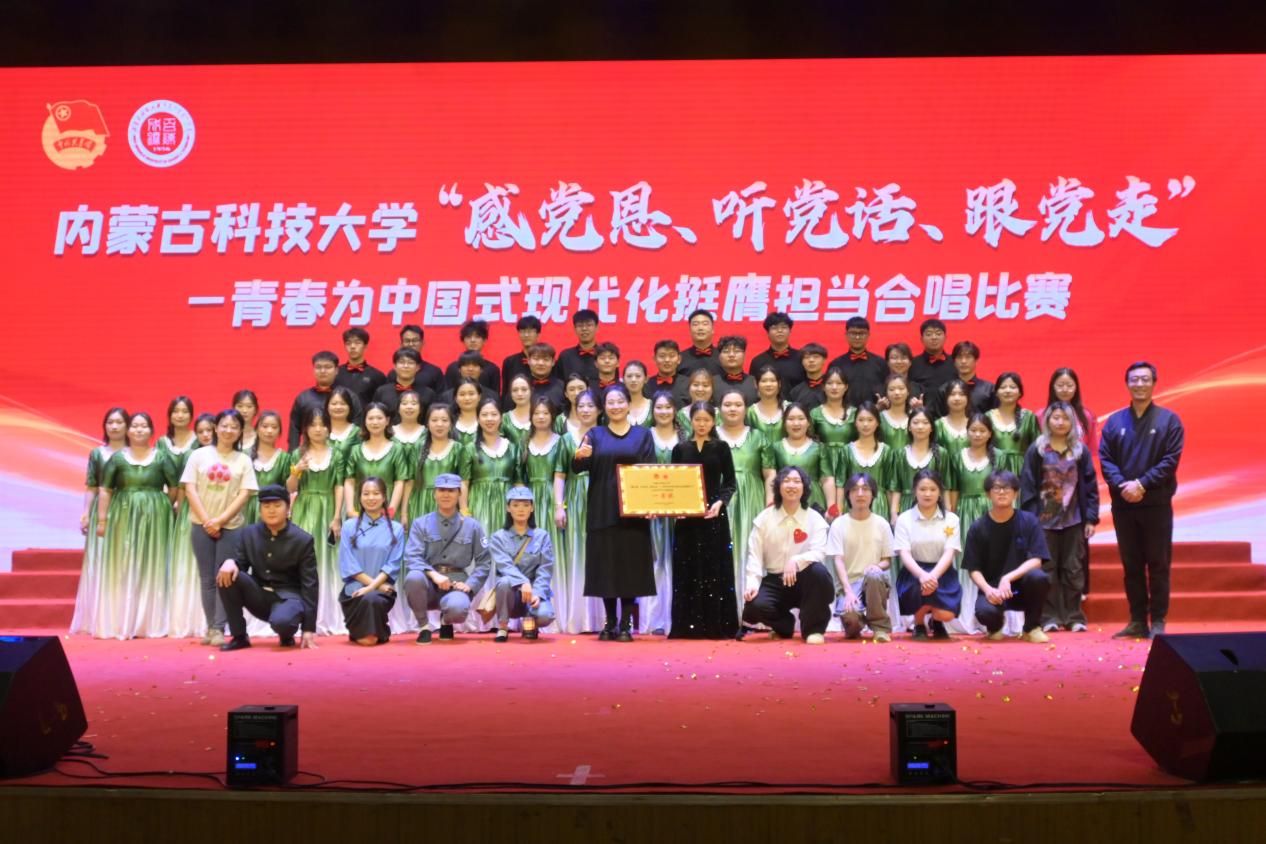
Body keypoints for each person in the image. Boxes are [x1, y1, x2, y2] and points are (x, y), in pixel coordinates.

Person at [1099, 361, 1184, 639]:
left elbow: (1170, 460)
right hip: (1124, 504)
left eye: (1145, 379)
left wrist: (1142, 484)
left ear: (1154, 383)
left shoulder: (1169, 420)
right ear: (1127, 384)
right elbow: (1106, 459)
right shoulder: (1115, 421)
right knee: (1131, 565)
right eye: (1134, 379)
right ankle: (1137, 620)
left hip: (1156, 504)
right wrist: (1123, 485)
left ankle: (1158, 620)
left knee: (1158, 564)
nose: (1139, 384)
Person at [574, 384, 657, 641]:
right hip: (601, 508)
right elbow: (578, 468)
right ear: (604, 407)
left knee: (630, 567)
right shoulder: (594, 434)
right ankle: (609, 622)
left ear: (629, 404)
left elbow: (651, 472)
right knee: (605, 567)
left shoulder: (643, 435)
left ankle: (626, 623)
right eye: (610, 402)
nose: (616, 406)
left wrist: (651, 505)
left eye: (620, 401)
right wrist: (579, 456)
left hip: (633, 512)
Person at [92, 412, 177, 639]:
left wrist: (160, 507)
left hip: (156, 518)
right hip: (123, 515)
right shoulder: (117, 459)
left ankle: (150, 621)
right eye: (135, 426)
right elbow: (105, 490)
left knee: (153, 563)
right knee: (124, 563)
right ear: (128, 431)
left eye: (144, 426)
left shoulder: (162, 457)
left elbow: (174, 488)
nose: (139, 430)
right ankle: (122, 619)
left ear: (152, 431)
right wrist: (102, 520)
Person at [181, 409, 259, 647]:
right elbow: (190, 489)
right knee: (206, 578)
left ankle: (219, 627)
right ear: (216, 427)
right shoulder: (199, 455)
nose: (228, 430)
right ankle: (211, 627)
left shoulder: (243, 460)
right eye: (224, 425)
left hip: (231, 527)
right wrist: (207, 520)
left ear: (241, 431)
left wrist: (221, 520)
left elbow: (244, 494)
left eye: (234, 427)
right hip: (201, 525)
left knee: (224, 578)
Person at [1021, 402, 1099, 633]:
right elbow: (1028, 486)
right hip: (1043, 521)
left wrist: (1091, 518)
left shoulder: (1080, 451)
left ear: (1072, 422)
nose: (1060, 422)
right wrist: (1031, 520)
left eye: (1065, 418)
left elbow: (1091, 487)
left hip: (1074, 519)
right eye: (1055, 417)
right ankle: (1049, 617)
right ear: (1047, 421)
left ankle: (1074, 616)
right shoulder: (1037, 449)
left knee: (1073, 569)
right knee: (1047, 569)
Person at [216, 484, 319, 651]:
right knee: (227, 574)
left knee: (283, 622)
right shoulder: (248, 534)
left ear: (288, 509)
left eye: (277, 505)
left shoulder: (302, 540)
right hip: (259, 596)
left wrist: (308, 628)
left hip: (288, 599)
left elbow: (310, 585)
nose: (271, 510)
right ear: (260, 510)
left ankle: (286, 633)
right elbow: (241, 564)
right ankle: (239, 636)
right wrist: (230, 562)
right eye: (266, 506)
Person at [669, 402, 738, 639]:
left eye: (706, 420)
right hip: (686, 519)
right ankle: (686, 626)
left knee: (715, 569)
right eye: (697, 420)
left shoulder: (721, 447)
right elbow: (672, 482)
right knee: (686, 569)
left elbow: (730, 482)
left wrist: (720, 503)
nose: (701, 424)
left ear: (713, 421)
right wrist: (675, 508)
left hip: (714, 517)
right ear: (690, 420)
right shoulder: (680, 448)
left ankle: (716, 625)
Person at [741, 466, 834, 644]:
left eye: (797, 481)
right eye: (787, 481)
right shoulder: (764, 519)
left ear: (804, 488)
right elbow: (755, 556)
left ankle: (813, 630)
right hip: (776, 580)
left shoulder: (815, 518)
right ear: (778, 486)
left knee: (820, 573)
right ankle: (784, 626)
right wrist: (752, 584)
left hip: (805, 578)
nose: (792, 485)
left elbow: (820, 552)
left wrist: (797, 560)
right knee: (754, 607)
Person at [401, 473, 493, 643]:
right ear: (434, 494)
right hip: (428, 582)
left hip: (456, 583)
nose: (446, 494)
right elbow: (412, 556)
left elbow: (484, 562)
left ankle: (446, 621)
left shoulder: (472, 526)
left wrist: (470, 584)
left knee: (458, 609)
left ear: (459, 494)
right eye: (441, 490)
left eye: (451, 491)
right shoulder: (421, 523)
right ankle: (424, 626)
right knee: (413, 577)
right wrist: (434, 575)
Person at [963, 471, 1052, 643]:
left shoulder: (1029, 521)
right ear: (988, 494)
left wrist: (1008, 578)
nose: (1002, 492)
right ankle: (995, 626)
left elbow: (1037, 559)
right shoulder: (978, 527)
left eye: (1007, 488)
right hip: (994, 591)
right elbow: (973, 568)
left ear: (1016, 493)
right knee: (984, 612)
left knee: (1039, 578)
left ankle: (1031, 628)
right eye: (996, 488)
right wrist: (988, 590)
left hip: (1021, 589)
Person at [287, 406, 347, 637]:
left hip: (328, 507)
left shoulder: (337, 453)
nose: (318, 429)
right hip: (304, 508)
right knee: (306, 560)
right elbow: (290, 488)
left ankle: (330, 615)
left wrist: (337, 516)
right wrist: (297, 471)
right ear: (305, 428)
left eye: (322, 424)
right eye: (313, 425)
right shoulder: (297, 454)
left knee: (330, 561)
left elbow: (339, 485)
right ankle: (304, 615)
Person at [70, 407, 128, 637]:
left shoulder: (135, 453)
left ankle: (125, 615)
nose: (114, 426)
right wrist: (86, 513)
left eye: (119, 422)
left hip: (128, 511)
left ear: (127, 426)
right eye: (110, 422)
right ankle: (100, 616)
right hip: (102, 514)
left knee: (125, 561)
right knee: (101, 562)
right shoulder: (97, 454)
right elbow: (92, 487)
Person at [717, 389, 775, 616]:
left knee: (750, 551)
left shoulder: (759, 437)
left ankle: (751, 613)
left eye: (738, 404)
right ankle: (724, 612)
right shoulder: (711, 435)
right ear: (719, 408)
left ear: (746, 408)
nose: (732, 409)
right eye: (727, 404)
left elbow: (769, 474)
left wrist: (769, 503)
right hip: (720, 499)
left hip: (752, 498)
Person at [552, 389, 602, 633]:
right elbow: (560, 475)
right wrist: (558, 506)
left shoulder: (606, 435)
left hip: (601, 496)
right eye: (581, 405)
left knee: (600, 553)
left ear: (599, 410)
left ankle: (603, 617)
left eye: (590, 406)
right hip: (575, 498)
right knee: (576, 552)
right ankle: (579, 617)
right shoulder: (565, 439)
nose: (585, 410)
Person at [893, 469, 962, 641]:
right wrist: (922, 575)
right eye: (922, 489)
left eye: (932, 489)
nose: (927, 494)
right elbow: (904, 553)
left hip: (942, 571)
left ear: (940, 492)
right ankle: (919, 624)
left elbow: (950, 552)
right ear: (915, 491)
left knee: (946, 614)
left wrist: (933, 576)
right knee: (921, 587)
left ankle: (937, 621)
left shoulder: (951, 519)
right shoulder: (904, 519)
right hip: (914, 572)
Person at [826, 473, 894, 642]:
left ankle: (880, 628)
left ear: (873, 494)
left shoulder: (882, 524)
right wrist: (848, 591)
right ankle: (858, 621)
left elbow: (887, 560)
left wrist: (877, 566)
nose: (860, 494)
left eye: (865, 489)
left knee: (874, 574)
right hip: (849, 584)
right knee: (851, 622)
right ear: (848, 495)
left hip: (873, 582)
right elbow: (838, 560)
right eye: (855, 489)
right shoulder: (839, 524)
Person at [338, 476, 403, 646]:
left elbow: (393, 564)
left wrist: (373, 588)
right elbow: (348, 564)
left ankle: (376, 631)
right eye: (366, 493)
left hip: (380, 594)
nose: (371, 498)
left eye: (376, 493)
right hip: (355, 592)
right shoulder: (349, 526)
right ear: (359, 497)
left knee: (371, 601)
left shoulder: (396, 529)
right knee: (368, 640)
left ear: (384, 497)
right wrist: (375, 585)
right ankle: (372, 630)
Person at [488, 486, 556, 641]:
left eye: (526, 505)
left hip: (533, 592)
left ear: (532, 508)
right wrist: (523, 582)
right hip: (510, 594)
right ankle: (503, 627)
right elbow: (505, 566)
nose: (521, 509)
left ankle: (530, 621)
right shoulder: (498, 537)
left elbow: (545, 569)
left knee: (545, 616)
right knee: (504, 581)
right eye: (516, 505)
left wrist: (537, 592)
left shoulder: (542, 536)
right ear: (508, 508)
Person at [158, 398, 202, 639]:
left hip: (191, 506)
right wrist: (168, 501)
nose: (180, 415)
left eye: (185, 411)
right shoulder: (162, 443)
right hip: (166, 505)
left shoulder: (200, 440)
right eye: (176, 411)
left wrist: (182, 503)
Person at [640, 391, 680, 635]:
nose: (663, 412)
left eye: (668, 407)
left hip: (680, 511)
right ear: (652, 410)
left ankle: (676, 618)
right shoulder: (645, 436)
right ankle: (652, 620)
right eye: (659, 407)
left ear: (675, 410)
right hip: (652, 511)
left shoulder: (684, 436)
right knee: (655, 562)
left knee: (677, 562)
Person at [405, 403, 472, 529]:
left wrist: (464, 510)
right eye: (434, 420)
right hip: (419, 502)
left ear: (451, 424)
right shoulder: (417, 448)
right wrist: (404, 513)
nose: (439, 424)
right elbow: (410, 482)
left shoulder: (458, 449)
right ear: (427, 423)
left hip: (448, 503)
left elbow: (463, 482)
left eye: (444, 420)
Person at [765, 402, 835, 515]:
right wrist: (771, 502)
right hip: (785, 499)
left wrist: (831, 507)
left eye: (801, 419)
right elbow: (772, 477)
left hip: (813, 500)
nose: (796, 423)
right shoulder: (776, 448)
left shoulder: (819, 448)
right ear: (784, 422)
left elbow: (827, 479)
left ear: (808, 422)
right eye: (791, 419)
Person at [341, 402, 408, 520]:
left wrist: (390, 510)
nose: (375, 422)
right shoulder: (356, 450)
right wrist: (350, 509)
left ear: (387, 421)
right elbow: (350, 481)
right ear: (365, 421)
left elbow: (399, 481)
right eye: (371, 418)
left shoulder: (396, 449)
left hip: (387, 509)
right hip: (360, 510)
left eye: (379, 418)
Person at [467, 397, 522, 538]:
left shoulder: (513, 448)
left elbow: (519, 482)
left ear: (501, 417)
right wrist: (464, 511)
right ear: (478, 418)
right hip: (479, 503)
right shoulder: (470, 448)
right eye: (484, 415)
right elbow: (464, 483)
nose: (489, 419)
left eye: (494, 414)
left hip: (507, 504)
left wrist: (520, 507)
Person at [838, 402, 895, 522]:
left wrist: (893, 513)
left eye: (870, 420)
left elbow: (891, 486)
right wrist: (839, 510)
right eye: (861, 420)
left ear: (877, 422)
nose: (865, 424)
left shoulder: (886, 451)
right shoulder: (846, 450)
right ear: (855, 423)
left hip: (879, 506)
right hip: (853, 504)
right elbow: (840, 484)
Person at [891, 407, 948, 519]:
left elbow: (946, 486)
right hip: (906, 506)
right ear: (909, 427)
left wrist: (947, 510)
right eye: (915, 423)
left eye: (925, 423)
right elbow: (896, 487)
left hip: (933, 506)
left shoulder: (941, 453)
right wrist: (894, 513)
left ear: (931, 428)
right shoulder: (900, 454)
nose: (920, 427)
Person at [808, 368, 855, 495]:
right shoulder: (815, 413)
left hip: (849, 463)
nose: (834, 387)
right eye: (830, 383)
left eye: (839, 383)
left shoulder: (855, 413)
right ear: (823, 386)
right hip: (824, 464)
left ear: (846, 387)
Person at [243, 411, 291, 524]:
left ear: (279, 432)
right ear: (257, 429)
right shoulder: (244, 455)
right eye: (265, 426)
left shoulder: (284, 458)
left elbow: (288, 489)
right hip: (245, 509)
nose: (269, 431)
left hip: (272, 510)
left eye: (274, 427)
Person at [828, 316, 888, 407]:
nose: (857, 337)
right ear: (846, 335)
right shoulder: (836, 364)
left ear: (868, 335)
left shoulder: (881, 363)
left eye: (862, 333)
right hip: (844, 413)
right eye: (853, 333)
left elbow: (888, 389)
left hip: (875, 412)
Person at [988, 371, 1039, 474]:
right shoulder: (988, 417)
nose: (1007, 391)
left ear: (1020, 392)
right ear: (996, 392)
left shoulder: (1029, 417)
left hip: (1023, 471)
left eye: (1012, 387)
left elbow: (1036, 448)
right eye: (1003, 387)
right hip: (994, 471)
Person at [288, 351, 341, 450]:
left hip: (341, 453)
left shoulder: (347, 398)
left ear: (336, 370)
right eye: (318, 367)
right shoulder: (303, 398)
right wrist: (293, 454)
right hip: (309, 453)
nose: (322, 371)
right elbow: (294, 430)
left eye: (327, 367)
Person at [372, 348, 437, 423]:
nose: (406, 366)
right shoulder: (382, 392)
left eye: (410, 363)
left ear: (418, 367)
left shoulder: (428, 393)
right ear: (394, 366)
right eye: (402, 362)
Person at [748, 312, 805, 398]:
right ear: (768, 333)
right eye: (774, 328)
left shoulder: (801, 358)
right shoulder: (757, 361)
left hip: (797, 405)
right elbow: (754, 390)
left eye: (784, 327)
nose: (779, 331)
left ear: (790, 331)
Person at [910, 319, 954, 415]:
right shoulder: (912, 364)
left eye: (938, 334)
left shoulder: (955, 362)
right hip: (921, 417)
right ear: (921, 339)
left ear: (945, 337)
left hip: (950, 416)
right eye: (929, 334)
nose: (934, 337)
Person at [335, 327, 387, 408]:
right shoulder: (336, 373)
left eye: (357, 343)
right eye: (348, 343)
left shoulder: (377, 375)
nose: (352, 346)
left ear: (365, 346)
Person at [444, 319, 501, 393]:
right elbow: (447, 395)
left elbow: (494, 396)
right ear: (463, 340)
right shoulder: (453, 368)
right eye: (468, 337)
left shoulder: (492, 369)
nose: (473, 340)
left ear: (484, 341)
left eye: (477, 337)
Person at [395, 324, 446, 394]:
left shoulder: (434, 372)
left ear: (422, 343)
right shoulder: (394, 373)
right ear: (401, 344)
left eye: (415, 340)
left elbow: (441, 397)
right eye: (407, 341)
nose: (411, 344)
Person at [555, 308, 601, 384]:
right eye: (580, 325)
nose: (584, 329)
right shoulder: (565, 356)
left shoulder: (605, 356)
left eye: (589, 325)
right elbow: (559, 384)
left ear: (597, 328)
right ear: (574, 329)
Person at [712, 335, 757, 406]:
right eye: (726, 351)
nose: (731, 355)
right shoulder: (711, 383)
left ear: (744, 355)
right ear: (719, 357)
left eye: (736, 351)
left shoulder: (755, 382)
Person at [951, 341, 995, 413]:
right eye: (959, 357)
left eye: (968, 357)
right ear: (954, 362)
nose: (963, 361)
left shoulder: (989, 389)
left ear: (976, 361)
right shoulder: (945, 389)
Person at [501, 314, 542, 390]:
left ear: (538, 335)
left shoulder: (545, 362)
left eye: (530, 331)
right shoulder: (510, 362)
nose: (526, 335)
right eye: (522, 331)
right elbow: (506, 390)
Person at [680, 308, 724, 378]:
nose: (700, 328)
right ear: (690, 330)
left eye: (705, 324)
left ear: (713, 329)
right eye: (695, 324)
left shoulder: (723, 357)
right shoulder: (680, 359)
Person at [746, 367, 786, 444]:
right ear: (756, 384)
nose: (768, 384)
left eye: (772, 381)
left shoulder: (788, 409)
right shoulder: (749, 413)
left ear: (779, 384)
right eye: (764, 381)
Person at [646, 339, 689, 406]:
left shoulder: (688, 384)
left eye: (671, 356)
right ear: (654, 359)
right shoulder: (647, 385)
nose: (667, 360)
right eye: (662, 356)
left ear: (679, 359)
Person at [525, 342, 567, 412]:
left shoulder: (562, 387)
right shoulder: (520, 387)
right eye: (536, 359)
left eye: (546, 359)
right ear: (528, 361)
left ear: (553, 362)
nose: (541, 363)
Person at [934, 379, 972, 454]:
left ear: (968, 398)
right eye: (952, 394)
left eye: (961, 394)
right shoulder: (938, 425)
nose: (957, 398)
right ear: (946, 398)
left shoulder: (974, 424)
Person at [789, 343, 829, 410]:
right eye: (806, 357)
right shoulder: (795, 391)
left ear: (824, 360)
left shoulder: (833, 387)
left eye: (816, 357)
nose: (811, 360)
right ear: (802, 362)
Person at [500, 373, 535, 450]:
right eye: (515, 390)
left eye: (524, 389)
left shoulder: (541, 416)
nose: (519, 394)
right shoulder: (504, 419)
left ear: (531, 391)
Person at [878, 374, 912, 452]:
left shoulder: (914, 418)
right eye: (892, 389)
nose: (897, 392)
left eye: (901, 388)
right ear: (886, 393)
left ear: (908, 392)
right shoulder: (880, 418)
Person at [622, 360, 653, 426]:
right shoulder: (617, 407)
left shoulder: (653, 406)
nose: (633, 380)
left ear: (646, 379)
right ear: (623, 379)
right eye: (629, 376)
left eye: (638, 376)